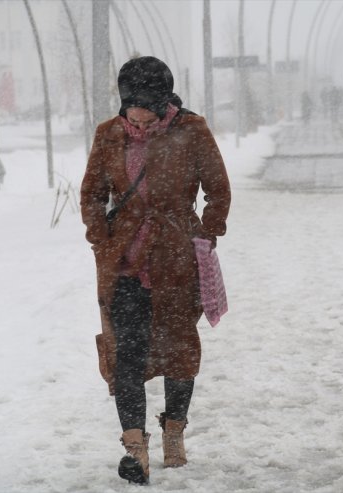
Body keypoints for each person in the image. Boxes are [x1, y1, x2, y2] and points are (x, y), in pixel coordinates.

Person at [80, 56, 231, 485]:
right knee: (126, 355)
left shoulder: (191, 130)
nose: (139, 117)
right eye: (132, 106)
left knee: (179, 351)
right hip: (125, 262)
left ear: (164, 102)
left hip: (177, 260)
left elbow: (217, 188)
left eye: (147, 106)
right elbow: (92, 192)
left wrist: (207, 233)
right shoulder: (109, 134)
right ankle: (135, 448)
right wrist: (100, 236)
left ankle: (174, 433)